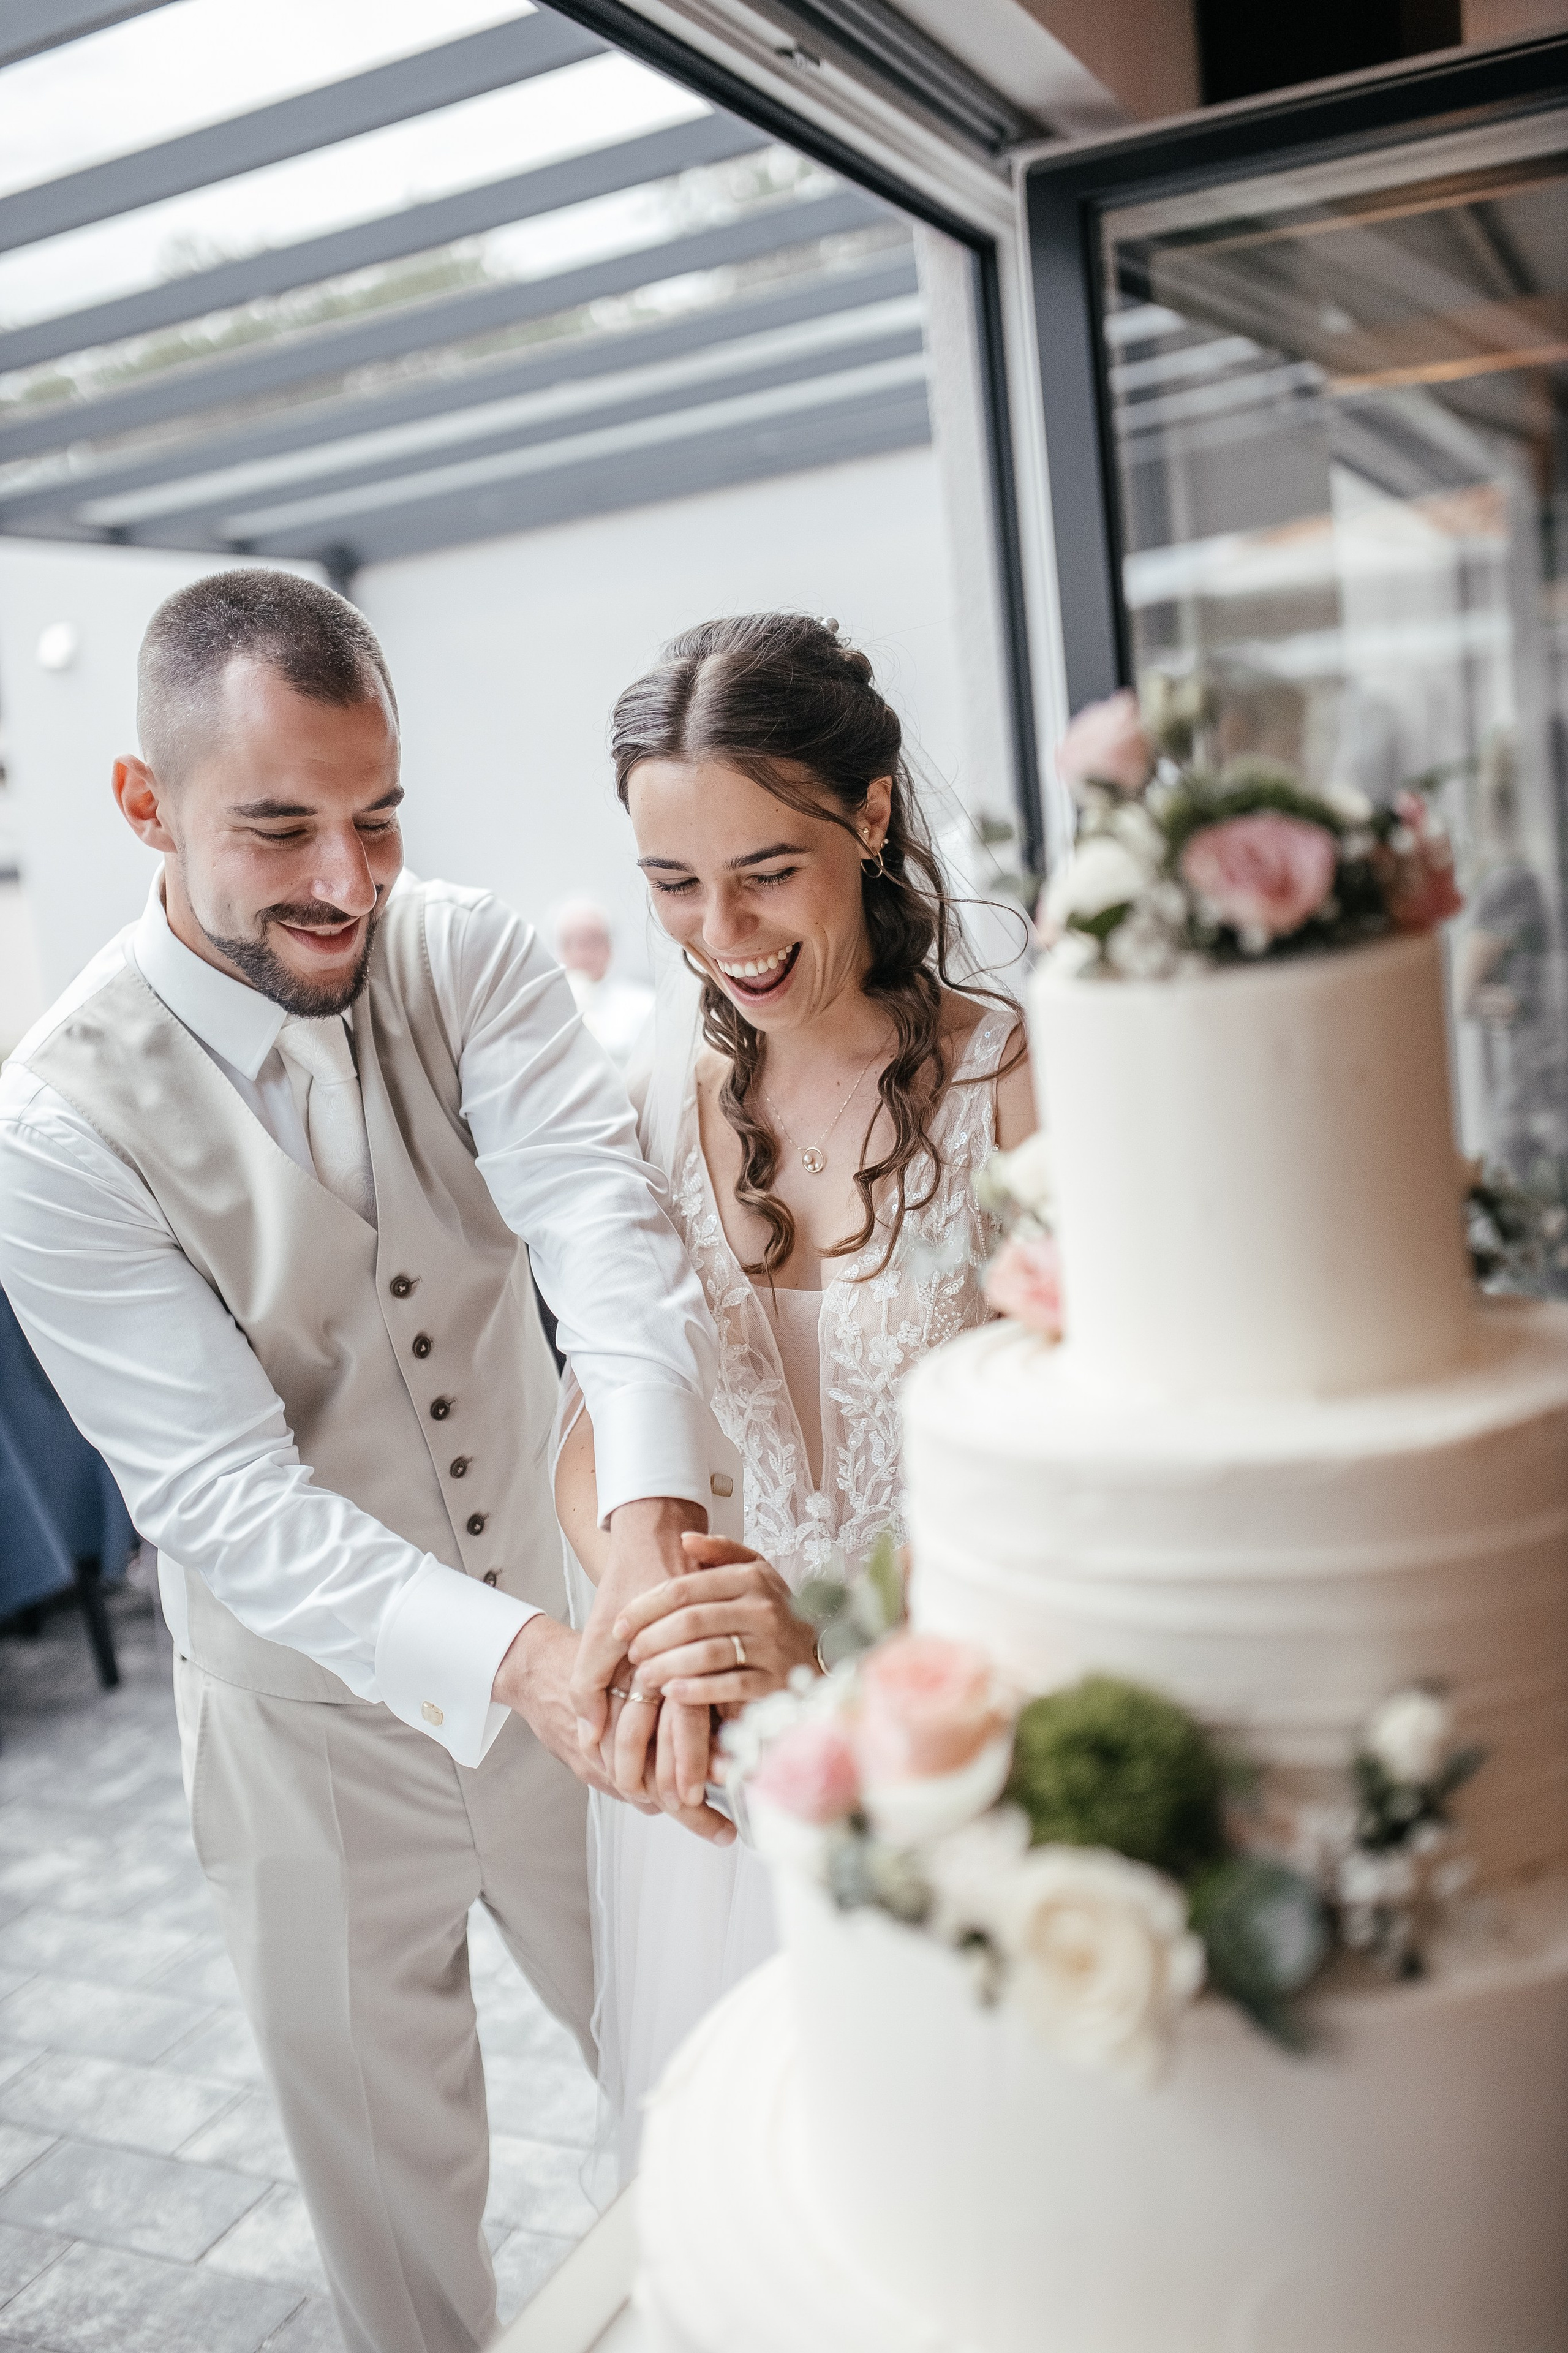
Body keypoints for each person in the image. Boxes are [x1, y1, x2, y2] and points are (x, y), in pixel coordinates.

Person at [0, 570, 735, 2353]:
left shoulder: (467, 948)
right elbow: (226, 1501)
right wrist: (522, 1665)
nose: (349, 877)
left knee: (709, 2084)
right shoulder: (55, 1127)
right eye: (278, 826)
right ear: (142, 807)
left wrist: (639, 1534)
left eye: (378, 813)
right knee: (402, 2235)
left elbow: (603, 1238)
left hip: (587, 1644)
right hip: (306, 1737)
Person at [556, 613, 1036, 2171]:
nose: (721, 930)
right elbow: (593, 1425)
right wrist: (663, 1612)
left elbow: (1082, 1444)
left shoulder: (1014, 1083)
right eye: (673, 885)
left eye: (765, 869)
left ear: (873, 812)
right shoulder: (639, 1103)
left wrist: (843, 1639)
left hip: (963, 1718)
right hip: (739, 1767)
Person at [552, 897, 654, 1067]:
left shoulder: (646, 1005)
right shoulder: (542, 1009)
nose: (582, 953)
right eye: (572, 943)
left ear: (610, 947)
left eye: (592, 941)